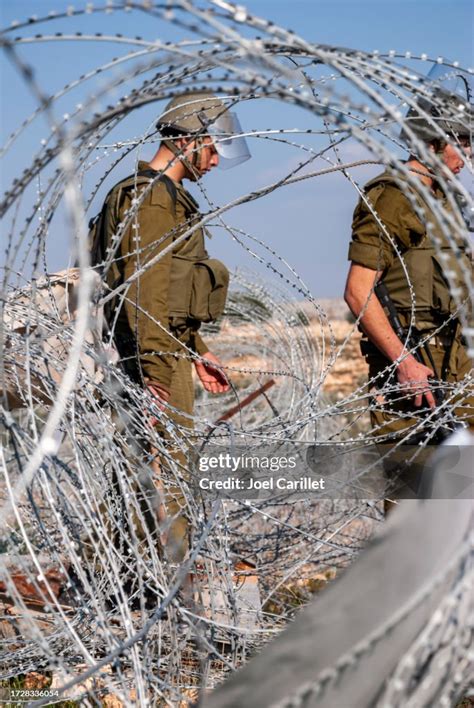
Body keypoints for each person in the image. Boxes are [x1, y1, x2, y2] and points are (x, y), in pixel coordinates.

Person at [92, 92, 251, 562]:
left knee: (147, 470)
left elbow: (167, 293)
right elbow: (144, 292)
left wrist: (198, 349)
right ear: (188, 141)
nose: (216, 159)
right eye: (212, 147)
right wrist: (156, 370)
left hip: (158, 349)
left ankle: (138, 578)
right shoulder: (154, 198)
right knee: (168, 474)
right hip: (152, 357)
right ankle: (164, 584)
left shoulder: (153, 193)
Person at [344, 74, 473, 498]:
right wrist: (404, 362)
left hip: (457, 363)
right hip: (415, 368)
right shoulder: (393, 196)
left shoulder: (442, 199)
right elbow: (359, 291)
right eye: (463, 142)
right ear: (433, 142)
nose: (469, 155)